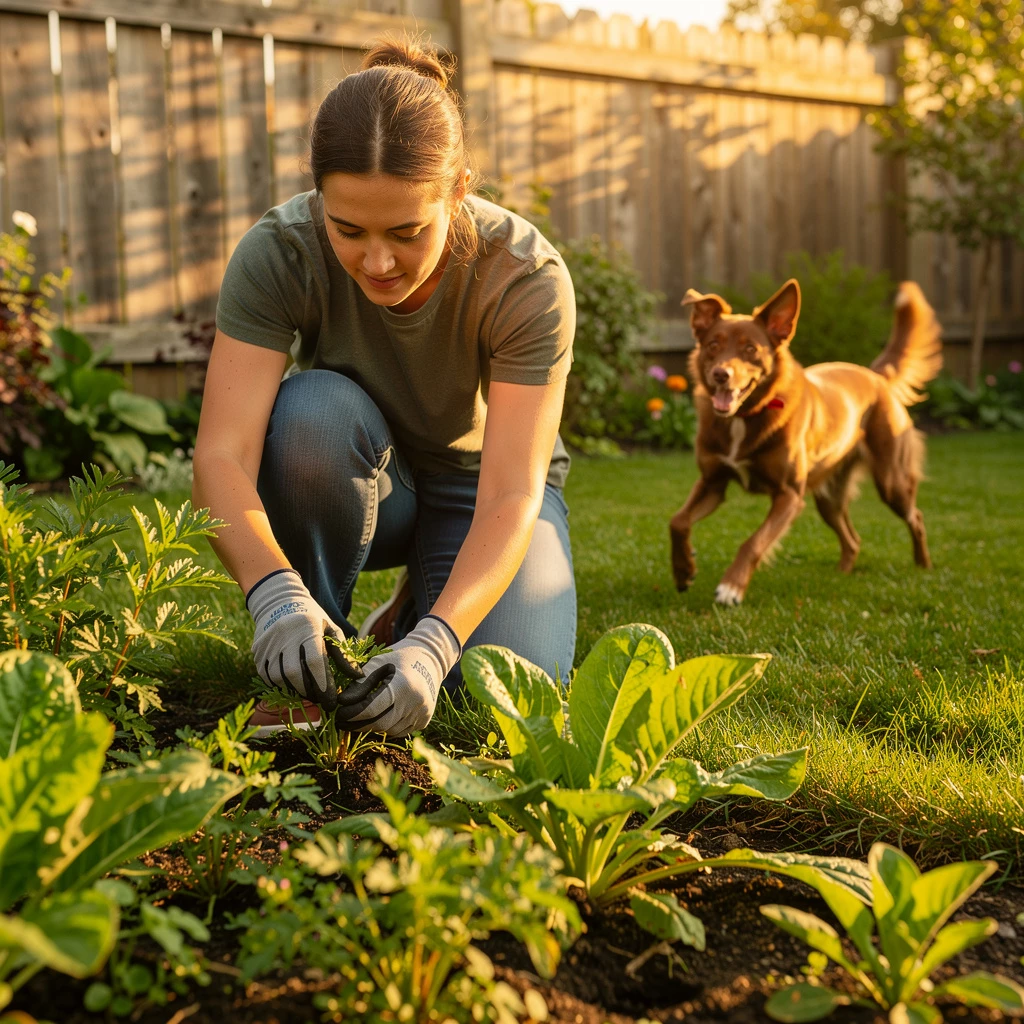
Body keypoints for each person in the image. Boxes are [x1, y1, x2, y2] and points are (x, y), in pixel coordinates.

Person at [192, 37, 577, 738]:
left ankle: (409, 622)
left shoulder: (524, 276)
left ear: (458, 190)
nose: (377, 262)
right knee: (310, 416)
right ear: (318, 196)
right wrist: (273, 595)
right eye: (348, 230)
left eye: (407, 232)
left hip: (482, 488)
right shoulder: (280, 251)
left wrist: (437, 644)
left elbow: (511, 492)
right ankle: (314, 656)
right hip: (362, 473)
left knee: (503, 699)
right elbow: (221, 455)